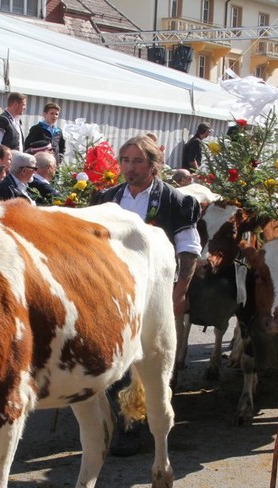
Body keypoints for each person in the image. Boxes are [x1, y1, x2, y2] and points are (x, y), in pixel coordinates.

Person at [91, 134, 201, 456]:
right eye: (125, 161)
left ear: (154, 165)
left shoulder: (176, 202)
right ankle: (125, 424)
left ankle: (152, 419)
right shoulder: (106, 199)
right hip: (113, 292)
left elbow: (190, 250)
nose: (130, 167)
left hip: (156, 292)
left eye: (137, 161)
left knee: (153, 358)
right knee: (117, 358)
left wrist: (180, 292)